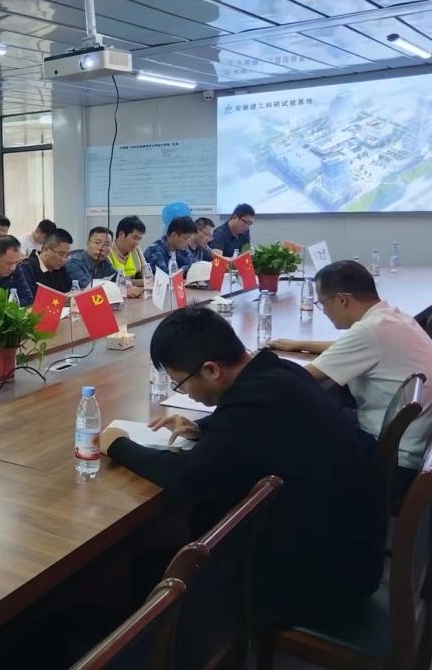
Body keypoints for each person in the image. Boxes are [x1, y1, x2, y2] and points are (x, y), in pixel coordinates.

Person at [99, 307, 383, 627]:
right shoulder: (278, 372)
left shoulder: (252, 404)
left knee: (147, 569)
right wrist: (201, 428)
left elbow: (188, 476)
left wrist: (117, 446)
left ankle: (175, 642)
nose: (185, 392)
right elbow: (247, 423)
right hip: (348, 552)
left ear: (211, 370)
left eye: (180, 384)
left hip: (323, 584)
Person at [269, 260, 432, 497]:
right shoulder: (392, 318)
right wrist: (301, 344)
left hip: (392, 465)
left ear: (342, 299)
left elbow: (298, 379)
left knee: (294, 427)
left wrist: (251, 365)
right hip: (413, 448)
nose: (324, 310)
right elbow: (354, 346)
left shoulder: (369, 332)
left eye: (322, 303)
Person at [17, 229, 73, 295]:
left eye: (67, 255)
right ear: (46, 249)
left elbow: (68, 292)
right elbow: (28, 299)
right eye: (60, 254)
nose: (64, 259)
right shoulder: (26, 268)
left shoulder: (60, 268)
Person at [108, 216, 146, 297]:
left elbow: (147, 276)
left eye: (139, 239)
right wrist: (140, 282)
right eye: (135, 238)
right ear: (121, 234)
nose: (137, 243)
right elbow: (113, 283)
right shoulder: (107, 251)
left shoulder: (136, 251)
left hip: (135, 298)